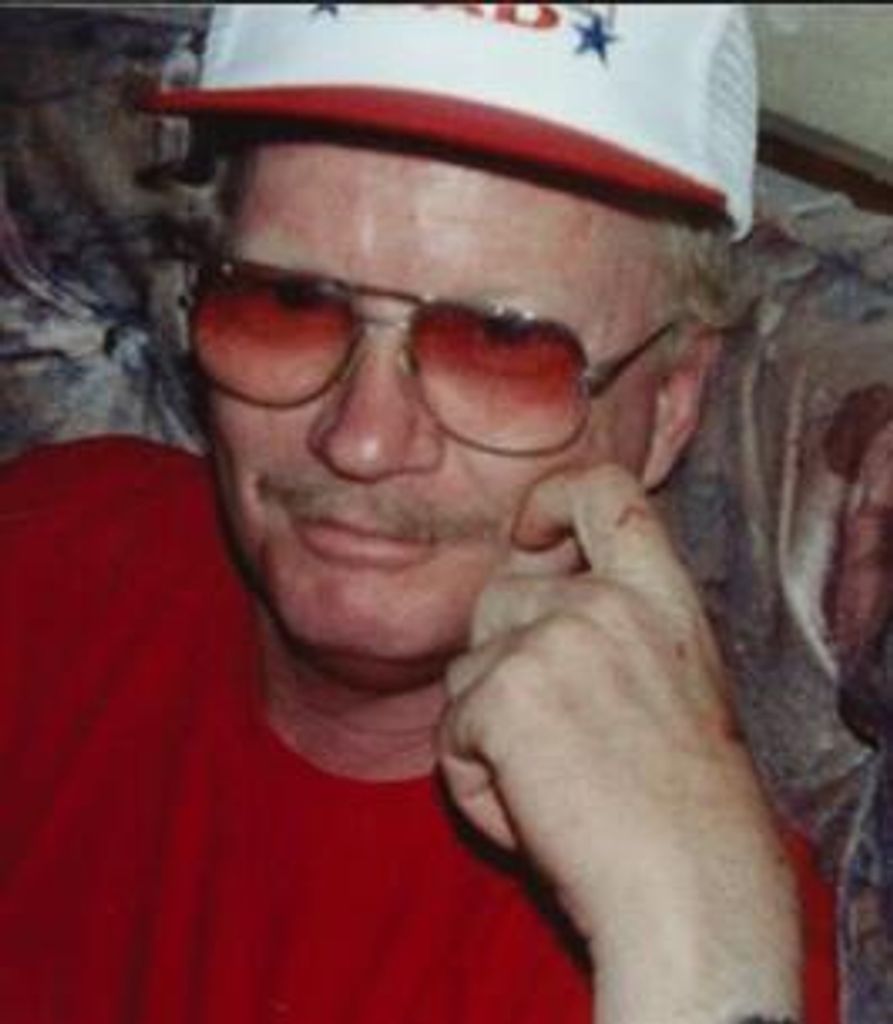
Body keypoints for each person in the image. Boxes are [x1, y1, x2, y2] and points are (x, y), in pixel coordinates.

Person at [0, 5, 836, 1024]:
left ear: (667, 407)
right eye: (289, 303)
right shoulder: (51, 549)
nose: (360, 439)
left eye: (499, 342)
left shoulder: (680, 933)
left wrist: (697, 948)